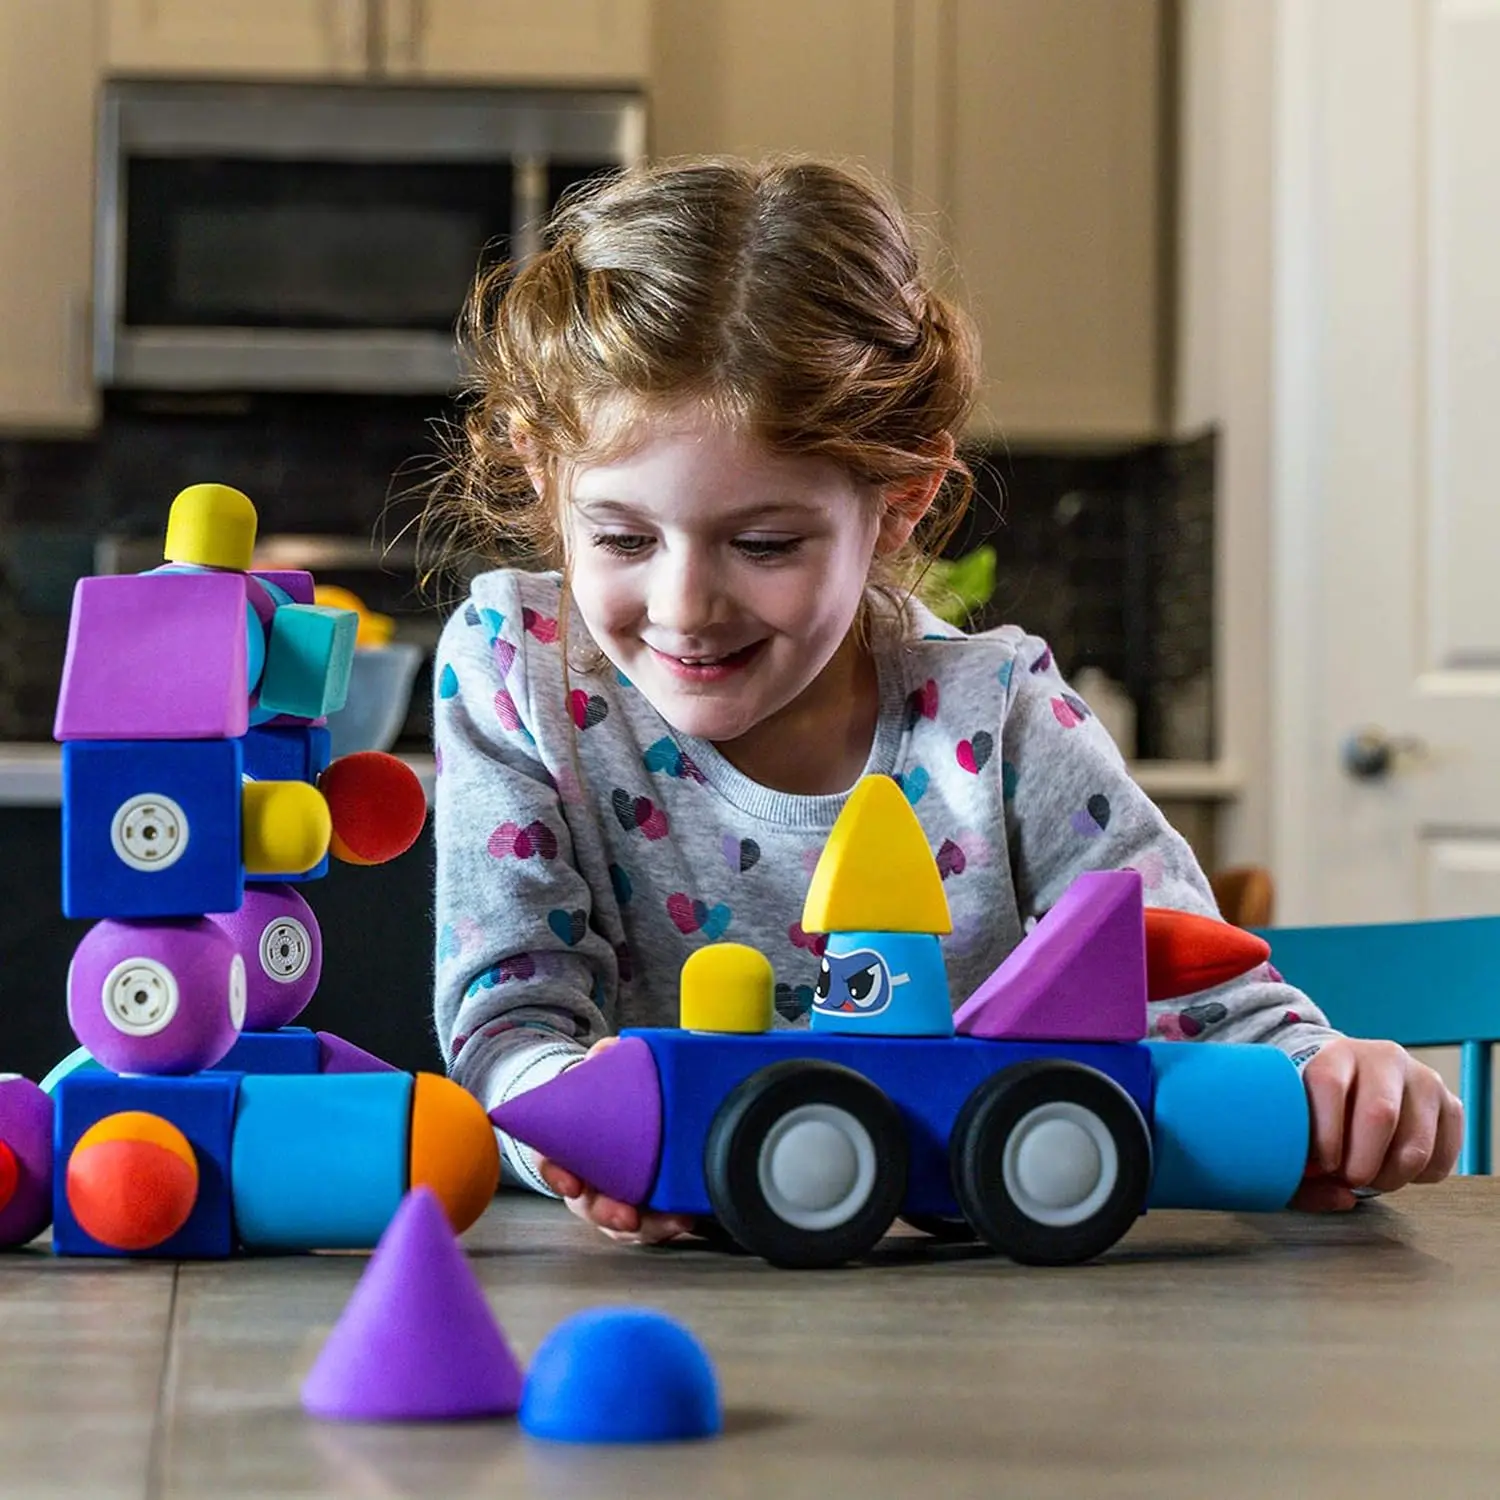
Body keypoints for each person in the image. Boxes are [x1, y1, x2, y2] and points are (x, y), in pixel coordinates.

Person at [423, 156, 1462, 1244]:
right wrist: (576, 1127)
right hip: (657, 1310)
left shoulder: (997, 718)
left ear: (903, 502)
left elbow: (1201, 998)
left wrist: (1329, 1077)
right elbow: (514, 1021)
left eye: (766, 543)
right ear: (544, 480)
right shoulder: (518, 667)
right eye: (624, 538)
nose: (684, 605)